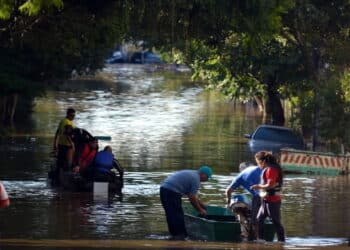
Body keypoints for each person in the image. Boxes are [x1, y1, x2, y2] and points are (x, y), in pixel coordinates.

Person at [159, 166, 213, 240]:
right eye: (207, 177)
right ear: (203, 174)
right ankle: (181, 237)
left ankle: (174, 235)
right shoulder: (196, 179)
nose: (207, 180)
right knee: (178, 215)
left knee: (171, 214)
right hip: (171, 192)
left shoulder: (192, 174)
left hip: (164, 189)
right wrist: (200, 210)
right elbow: (191, 198)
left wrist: (202, 205)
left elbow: (191, 195)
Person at [251, 151, 285, 242]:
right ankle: (261, 240)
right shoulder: (269, 169)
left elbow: (270, 185)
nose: (258, 165)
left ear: (263, 161)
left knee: (276, 222)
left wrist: (258, 186)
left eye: (258, 163)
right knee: (259, 219)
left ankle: (282, 242)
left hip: (273, 200)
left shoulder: (271, 169)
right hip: (266, 200)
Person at [225, 162, 262, 241]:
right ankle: (256, 237)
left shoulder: (240, 176)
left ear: (240, 170)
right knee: (258, 217)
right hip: (268, 194)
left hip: (254, 198)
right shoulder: (255, 168)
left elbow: (228, 191)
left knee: (245, 216)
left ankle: (250, 237)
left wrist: (228, 202)